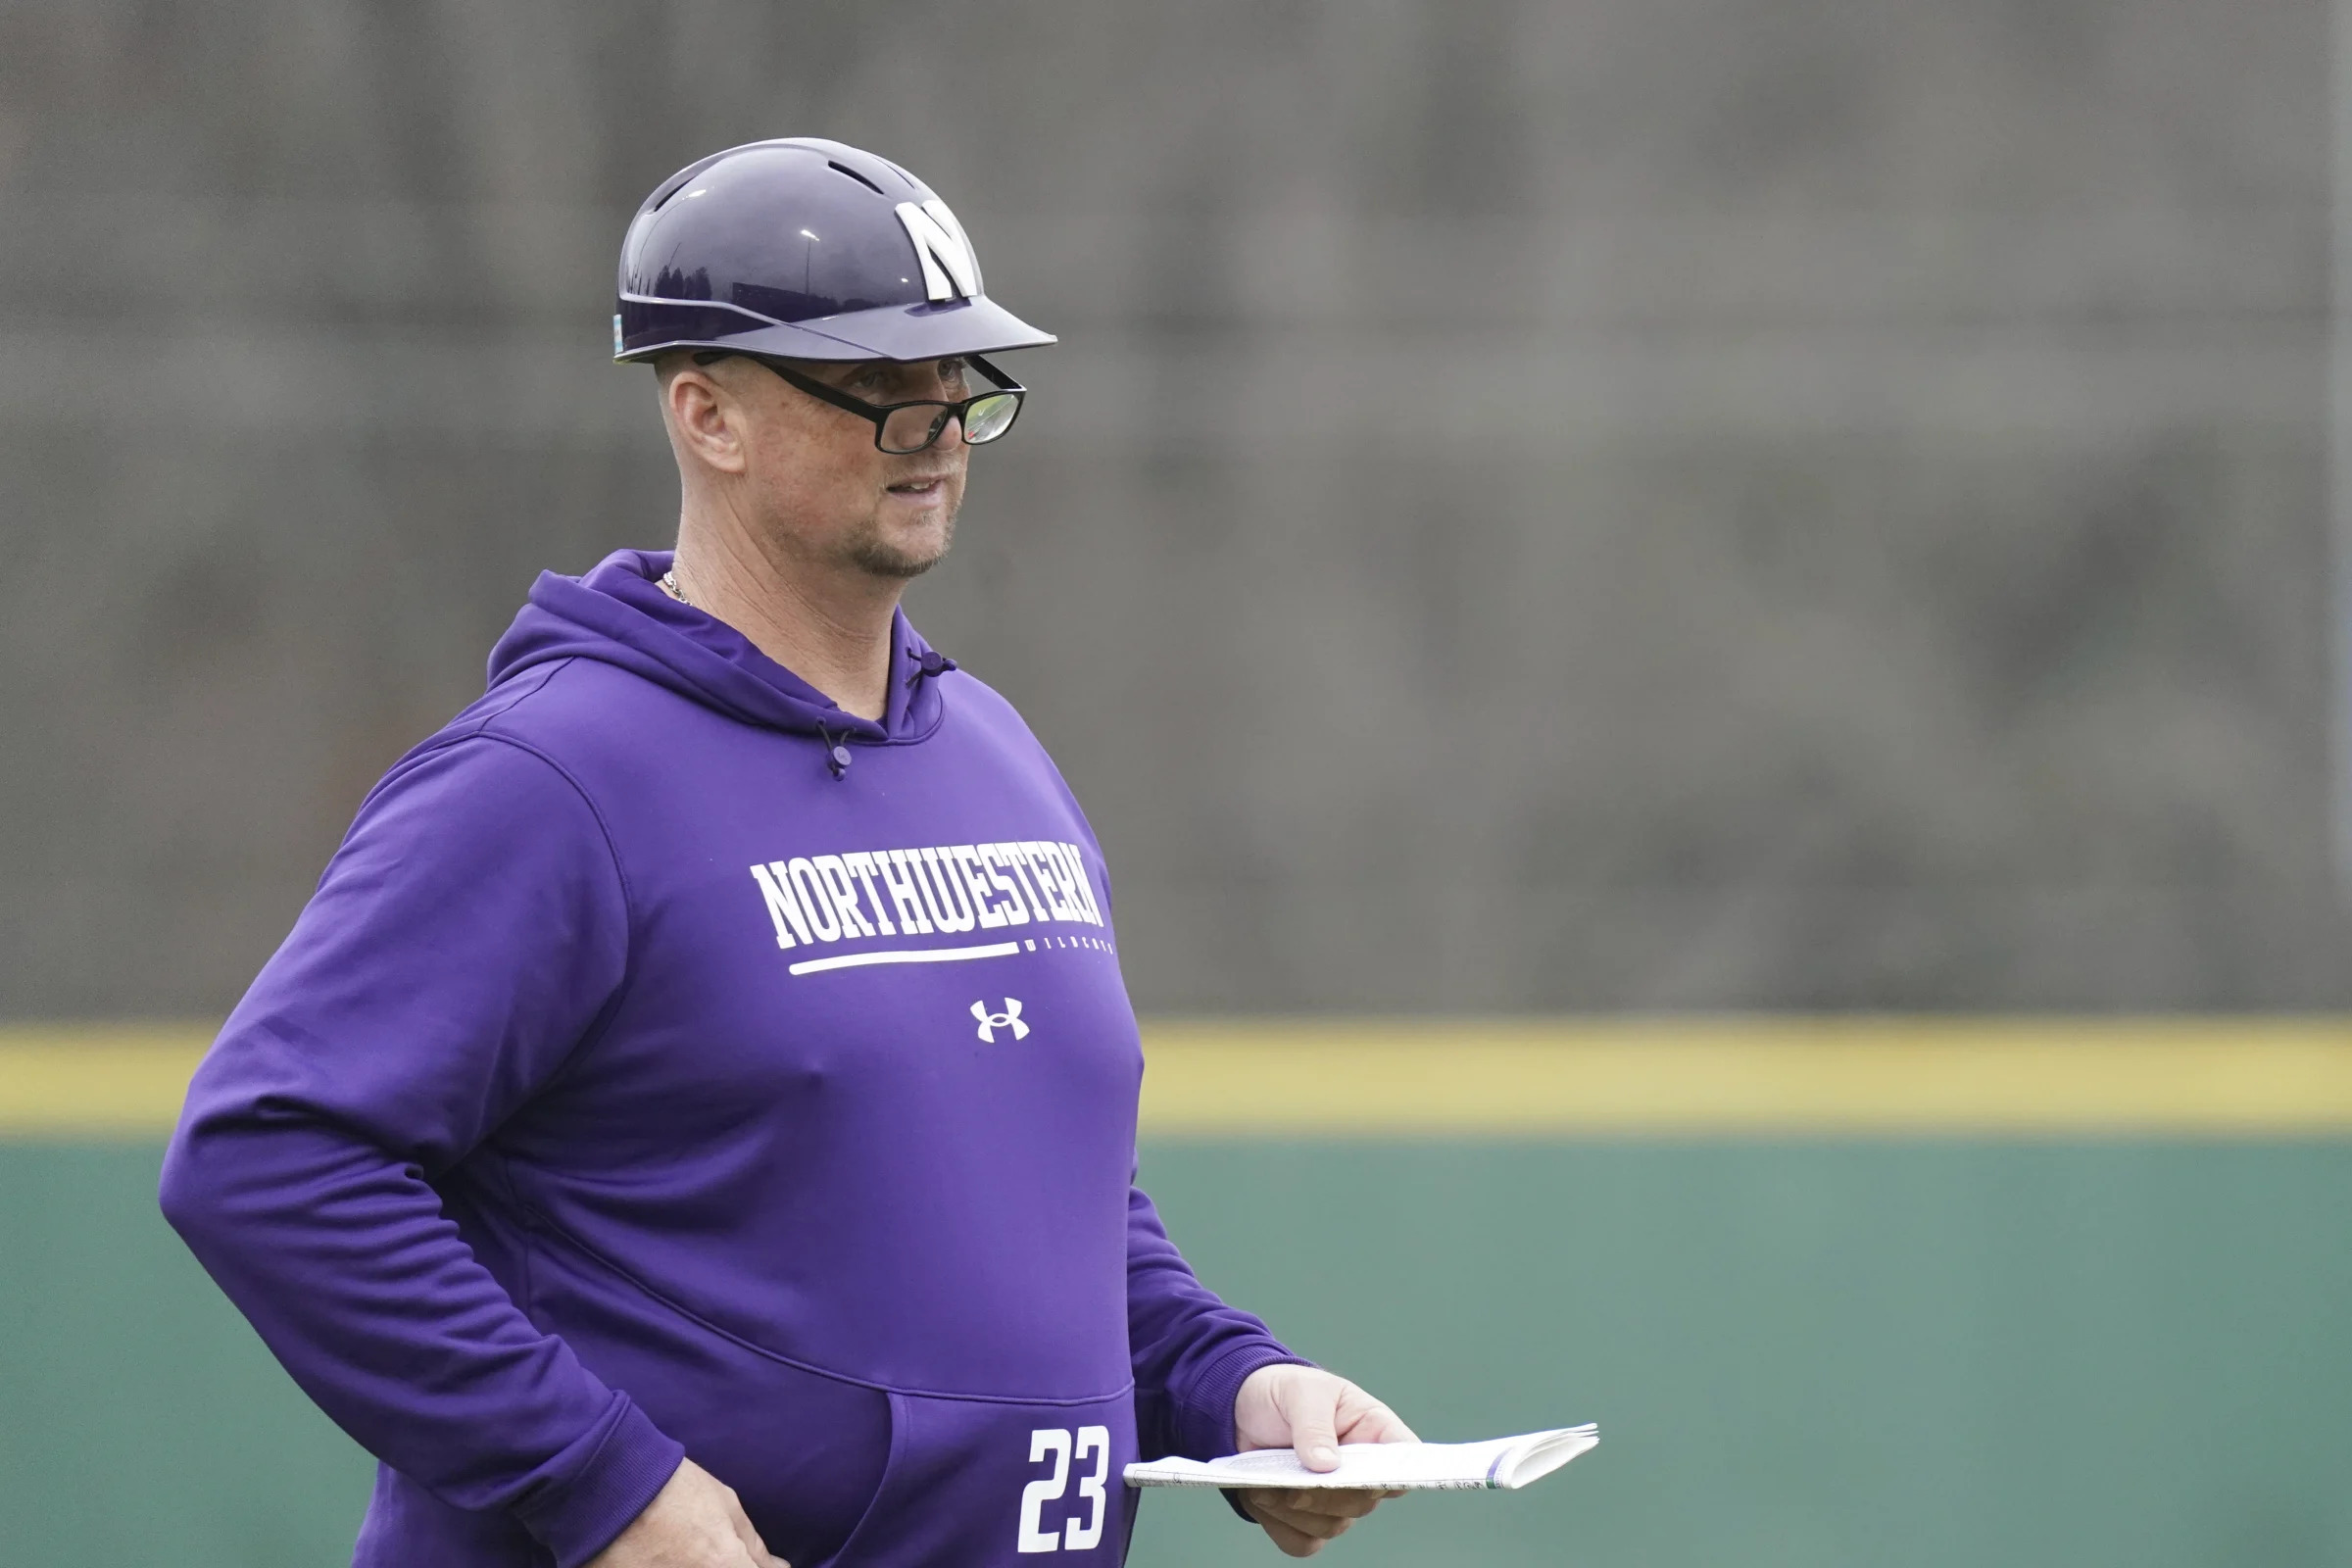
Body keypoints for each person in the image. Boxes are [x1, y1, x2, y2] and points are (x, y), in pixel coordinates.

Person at [160, 137, 1413, 1568]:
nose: (938, 429)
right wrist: (601, 1481)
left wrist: (1226, 1382)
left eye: (959, 386)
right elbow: (269, 1154)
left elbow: (1049, 1199)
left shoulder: (991, 755)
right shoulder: (554, 779)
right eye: (878, 391)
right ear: (708, 413)